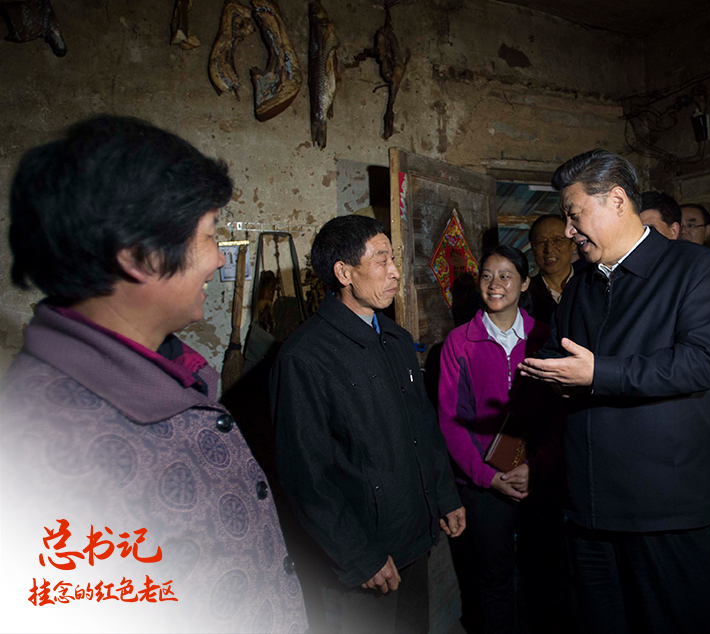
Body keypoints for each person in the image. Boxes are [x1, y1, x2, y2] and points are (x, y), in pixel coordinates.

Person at [0, 115, 307, 632]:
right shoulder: (51, 450)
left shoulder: (169, 371)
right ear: (139, 256)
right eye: (209, 235)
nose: (218, 260)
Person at [519, 149, 710, 633]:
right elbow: (556, 355)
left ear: (617, 200)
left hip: (665, 511)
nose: (569, 231)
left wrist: (599, 375)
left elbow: (701, 362)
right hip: (590, 509)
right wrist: (547, 376)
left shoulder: (694, 268)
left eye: (574, 215)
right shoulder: (580, 286)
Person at [270, 215, 466, 634]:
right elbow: (305, 476)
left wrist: (445, 496)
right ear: (344, 273)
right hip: (366, 555)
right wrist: (359, 556)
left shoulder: (395, 339)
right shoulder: (305, 357)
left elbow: (424, 430)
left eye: (392, 259)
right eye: (381, 260)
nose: (394, 271)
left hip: (414, 536)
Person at [438, 245, 559, 634]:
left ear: (524, 283)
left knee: (543, 575)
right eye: (487, 275)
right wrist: (486, 477)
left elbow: (559, 415)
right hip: (484, 484)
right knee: (494, 579)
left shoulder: (545, 336)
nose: (495, 284)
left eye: (506, 276)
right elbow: (450, 420)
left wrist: (536, 467)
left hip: (538, 478)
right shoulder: (459, 342)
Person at [527, 214, 579, 324]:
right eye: (541, 242)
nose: (549, 249)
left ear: (573, 244)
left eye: (557, 240)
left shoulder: (590, 285)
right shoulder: (524, 295)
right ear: (533, 249)